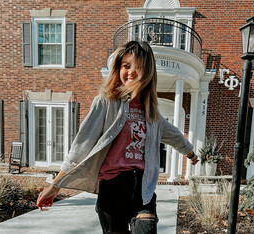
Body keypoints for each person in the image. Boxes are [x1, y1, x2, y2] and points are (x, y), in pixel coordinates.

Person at [37, 41, 199, 234]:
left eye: (138, 67)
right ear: (118, 68)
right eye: (126, 66)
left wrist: (189, 152)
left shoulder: (152, 113)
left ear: (148, 73)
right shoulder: (106, 102)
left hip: (143, 187)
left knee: (145, 229)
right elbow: (81, 146)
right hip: (112, 186)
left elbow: (173, 134)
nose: (131, 72)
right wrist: (55, 186)